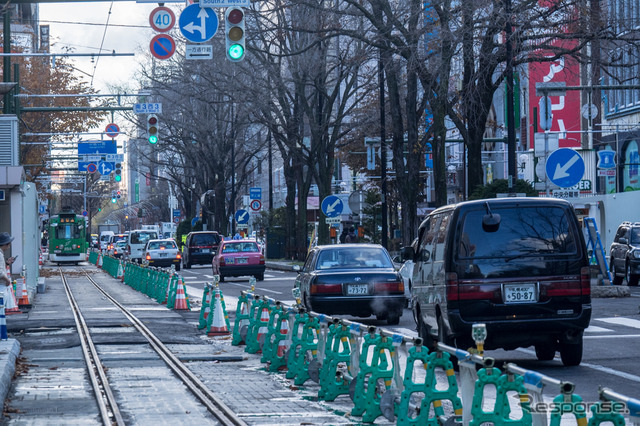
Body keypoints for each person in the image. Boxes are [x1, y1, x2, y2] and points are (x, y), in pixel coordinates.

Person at [0, 232, 18, 311]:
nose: (9, 246)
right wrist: (7, 280)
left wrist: (7, 263)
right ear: (5, 244)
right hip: (1, 286)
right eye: (8, 244)